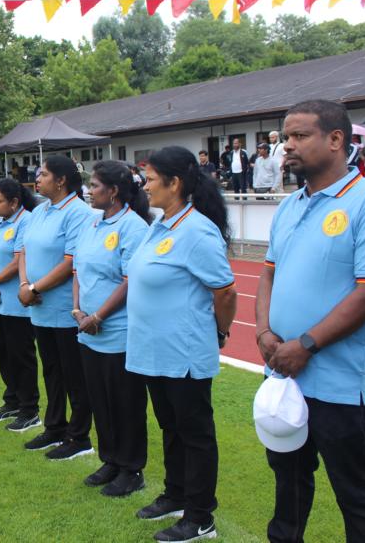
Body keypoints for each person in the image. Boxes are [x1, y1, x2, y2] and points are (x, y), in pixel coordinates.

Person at [255, 99, 365, 543]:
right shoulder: (289, 206)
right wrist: (263, 332)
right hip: (283, 377)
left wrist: (306, 344)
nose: (288, 145)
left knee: (355, 493)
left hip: (339, 385)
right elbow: (268, 274)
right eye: (286, 137)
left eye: (300, 136)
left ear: (336, 140)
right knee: (287, 484)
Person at [125, 145, 236, 542]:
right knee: (170, 426)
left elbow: (225, 291)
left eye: (151, 179)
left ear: (174, 183)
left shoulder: (197, 231)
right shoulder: (161, 224)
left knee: (195, 434)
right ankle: (176, 494)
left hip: (183, 351)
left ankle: (200, 516)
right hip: (154, 350)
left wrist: (219, 331)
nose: (145, 186)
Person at [73, 160, 151, 497]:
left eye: (95, 185)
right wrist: (78, 310)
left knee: (125, 403)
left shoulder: (132, 227)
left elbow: (130, 280)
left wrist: (99, 316)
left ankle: (131, 469)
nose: (89, 191)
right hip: (87, 331)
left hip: (118, 332)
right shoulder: (93, 223)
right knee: (100, 400)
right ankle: (110, 460)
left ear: (114, 191)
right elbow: (78, 270)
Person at [17, 155, 95, 461]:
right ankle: (55, 426)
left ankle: (79, 436)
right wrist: (25, 285)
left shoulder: (78, 212)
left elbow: (71, 261)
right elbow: (23, 250)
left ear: (61, 180)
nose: (37, 179)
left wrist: (35, 288)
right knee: (51, 370)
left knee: (74, 375)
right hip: (39, 308)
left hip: (64, 309)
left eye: (44, 174)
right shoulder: (40, 210)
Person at [0, 178, 40, 432]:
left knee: (21, 355)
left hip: (16, 303)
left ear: (14, 202)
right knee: (4, 353)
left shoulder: (25, 221)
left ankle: (29, 409)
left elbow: (17, 262)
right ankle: (12, 400)